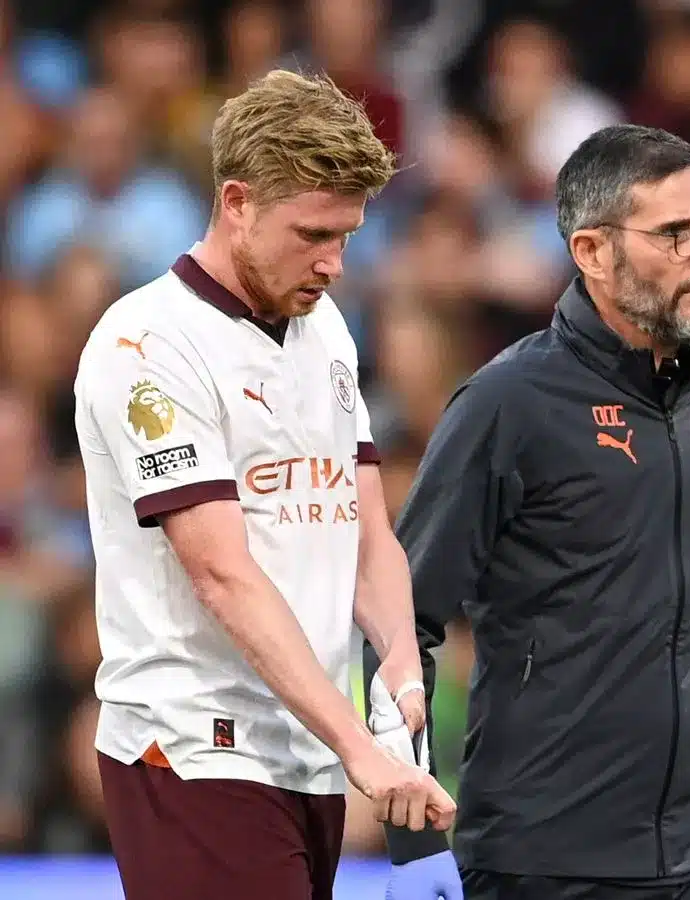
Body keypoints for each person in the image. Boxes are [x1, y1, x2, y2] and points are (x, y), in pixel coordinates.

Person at [72, 69, 455, 900]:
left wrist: (399, 665)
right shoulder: (148, 345)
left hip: (305, 753)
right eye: (313, 233)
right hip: (193, 747)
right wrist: (357, 743)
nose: (335, 264)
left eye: (347, 236)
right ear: (237, 203)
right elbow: (220, 572)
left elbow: (365, 532)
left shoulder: (326, 330)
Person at [365, 124, 690, 900]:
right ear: (592, 253)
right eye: (676, 234)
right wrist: (413, 843)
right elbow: (396, 619)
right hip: (544, 860)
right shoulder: (509, 402)